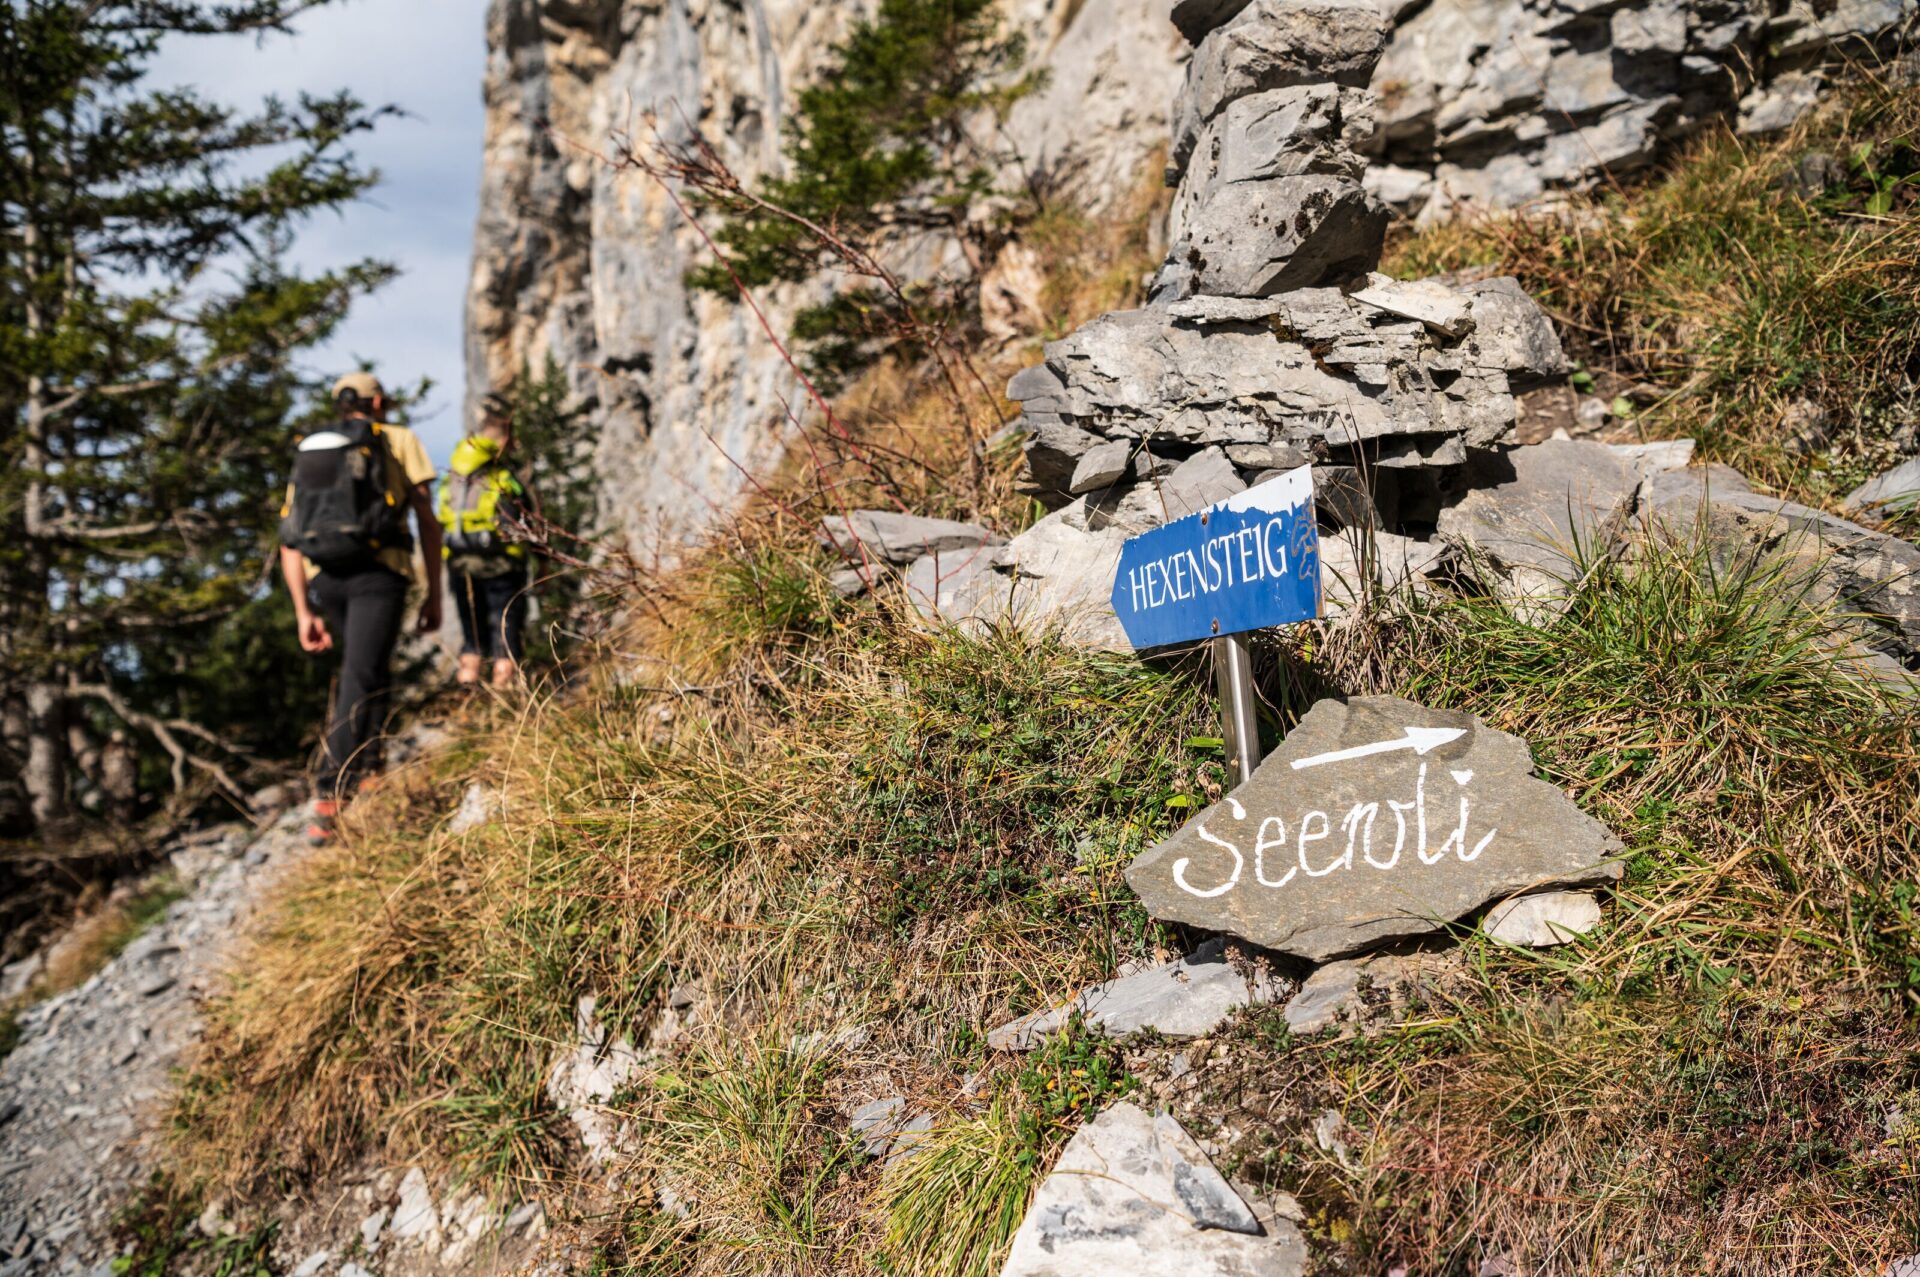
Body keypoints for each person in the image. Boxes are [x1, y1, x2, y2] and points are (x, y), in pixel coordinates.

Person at [278, 373, 442, 842]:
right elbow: (427, 521)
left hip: (326, 577)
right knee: (360, 672)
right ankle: (331, 792)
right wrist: (434, 590)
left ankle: (370, 767)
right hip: (379, 572)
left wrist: (303, 610)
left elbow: (289, 540)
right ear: (377, 401)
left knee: (368, 665)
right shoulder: (397, 440)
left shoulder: (316, 452)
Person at [438, 407, 535, 688]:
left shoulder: (456, 471)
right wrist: (541, 563)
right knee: (506, 635)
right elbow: (527, 521)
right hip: (503, 566)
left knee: (472, 638)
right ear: (503, 439)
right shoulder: (504, 475)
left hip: (460, 564)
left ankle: (467, 702)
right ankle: (505, 706)